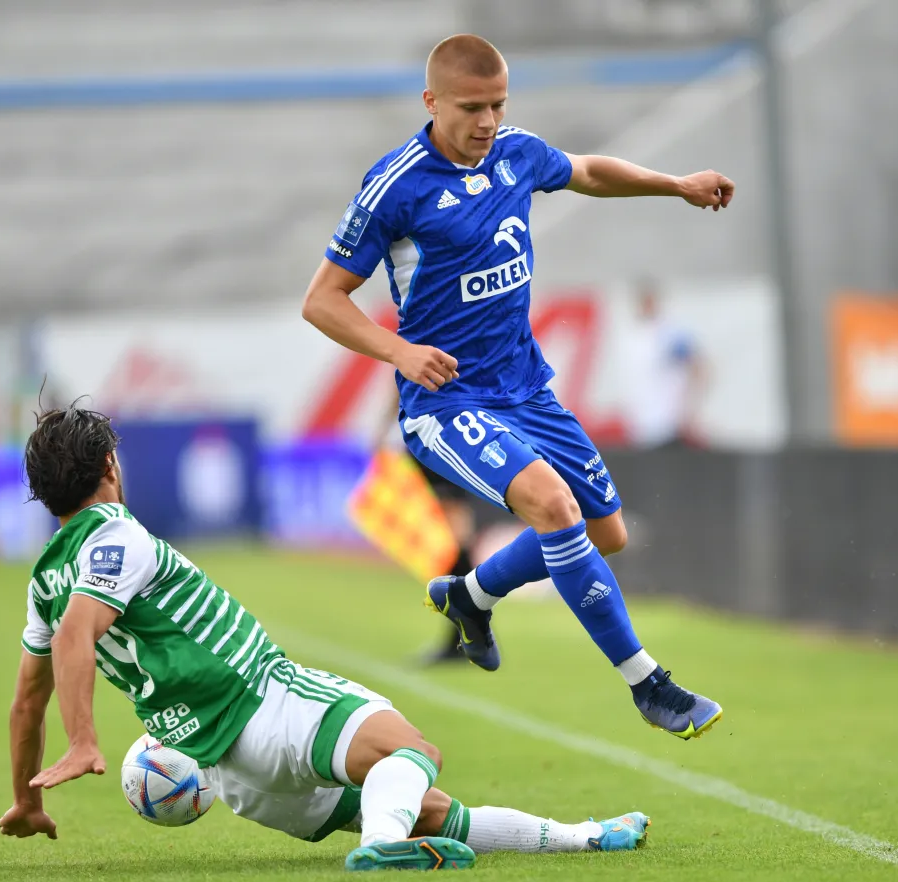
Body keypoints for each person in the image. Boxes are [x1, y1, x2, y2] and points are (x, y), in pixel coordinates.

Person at [0, 402, 650, 872]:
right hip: (261, 702)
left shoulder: (44, 579)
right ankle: (384, 847)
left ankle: (586, 837)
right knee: (412, 750)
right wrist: (82, 736)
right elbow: (81, 631)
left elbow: (28, 698)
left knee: (430, 808)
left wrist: (27, 797)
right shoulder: (118, 535)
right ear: (110, 463)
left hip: (235, 776)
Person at [301, 34, 731, 739]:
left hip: (527, 389)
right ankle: (650, 684)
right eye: (472, 107)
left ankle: (468, 596)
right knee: (554, 507)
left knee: (605, 531)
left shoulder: (515, 152)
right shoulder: (395, 185)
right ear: (431, 101)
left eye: (498, 105)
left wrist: (675, 184)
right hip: (447, 402)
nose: (488, 122)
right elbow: (322, 299)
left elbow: (587, 170)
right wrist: (401, 353)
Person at [376, 393, 479, 663]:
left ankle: (467, 637)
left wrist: (384, 428)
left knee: (453, 543)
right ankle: (464, 637)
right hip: (429, 438)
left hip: (441, 436)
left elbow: (399, 382)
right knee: (448, 544)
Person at [620, 282, 709, 449]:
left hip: (668, 426)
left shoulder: (669, 333)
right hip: (641, 427)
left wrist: (689, 412)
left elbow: (699, 367)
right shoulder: (636, 333)